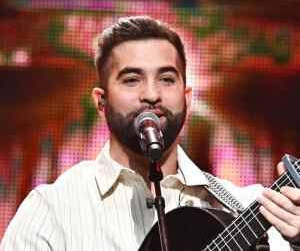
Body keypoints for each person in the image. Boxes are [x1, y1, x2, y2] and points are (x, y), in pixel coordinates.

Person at [1, 16, 300, 251]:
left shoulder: (246, 206)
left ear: (187, 98)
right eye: (132, 79)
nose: (152, 94)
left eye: (166, 78)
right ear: (101, 102)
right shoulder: (51, 210)